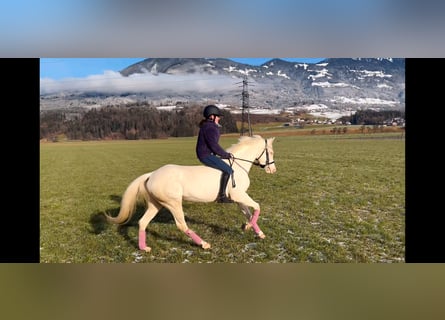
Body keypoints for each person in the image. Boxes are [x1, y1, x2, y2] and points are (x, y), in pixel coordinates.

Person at [196, 105, 235, 203]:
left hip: (207, 154)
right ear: (211, 116)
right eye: (217, 116)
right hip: (205, 155)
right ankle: (222, 196)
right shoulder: (210, 127)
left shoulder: (208, 126)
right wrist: (225, 155)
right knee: (228, 170)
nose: (219, 118)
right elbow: (213, 145)